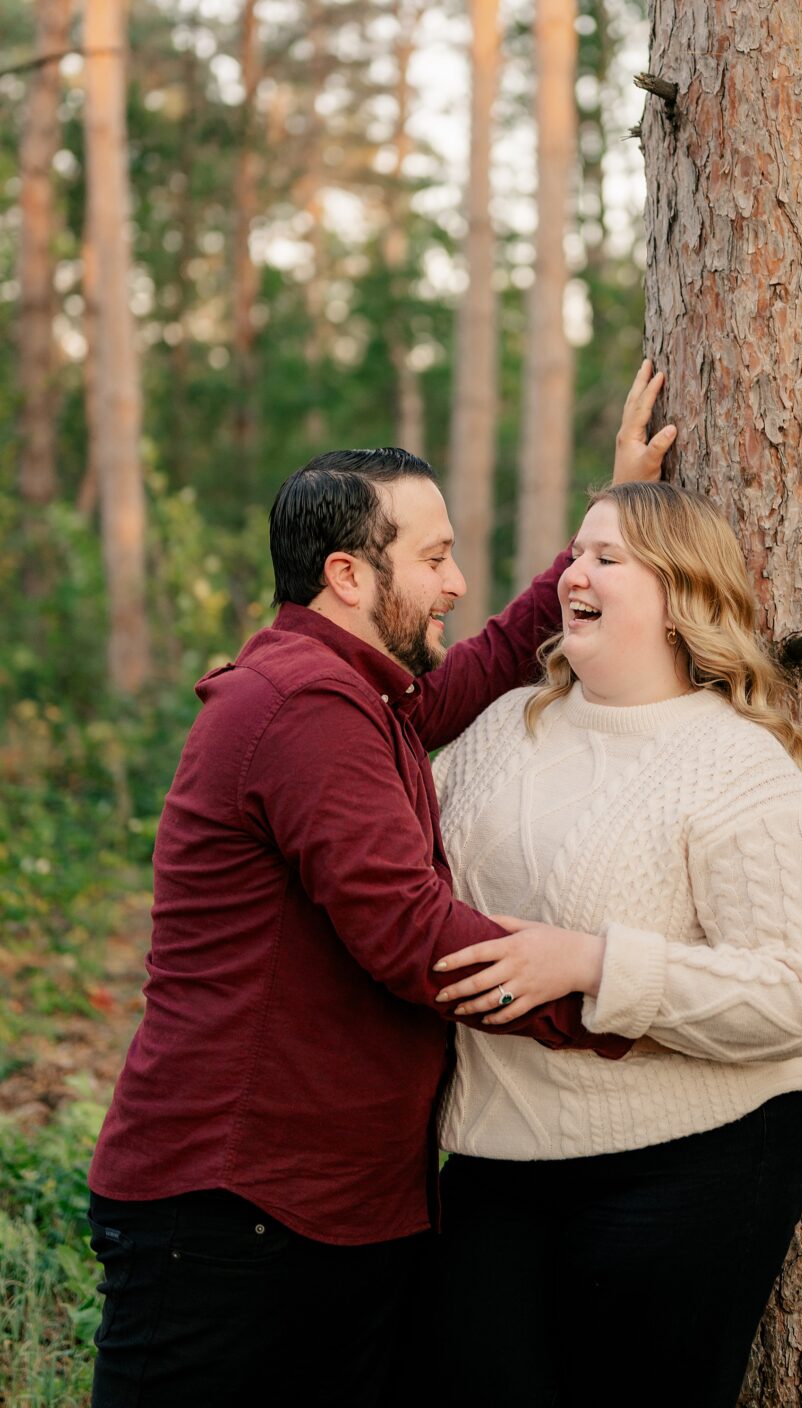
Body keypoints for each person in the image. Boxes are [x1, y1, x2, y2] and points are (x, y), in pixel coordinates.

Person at [85, 366, 676, 1408]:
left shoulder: (356, 694)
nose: (454, 584)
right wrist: (625, 1009)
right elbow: (413, 935)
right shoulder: (304, 707)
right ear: (349, 575)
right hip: (237, 1210)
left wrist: (606, 522)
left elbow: (476, 666)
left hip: (320, 1206)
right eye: (436, 559)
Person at [430, 478, 802, 1408]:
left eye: (605, 558)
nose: (573, 572)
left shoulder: (736, 766)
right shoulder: (502, 727)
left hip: (698, 1151)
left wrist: (590, 964)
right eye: (576, 552)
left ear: (680, 598)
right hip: (498, 1144)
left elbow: (796, 995)